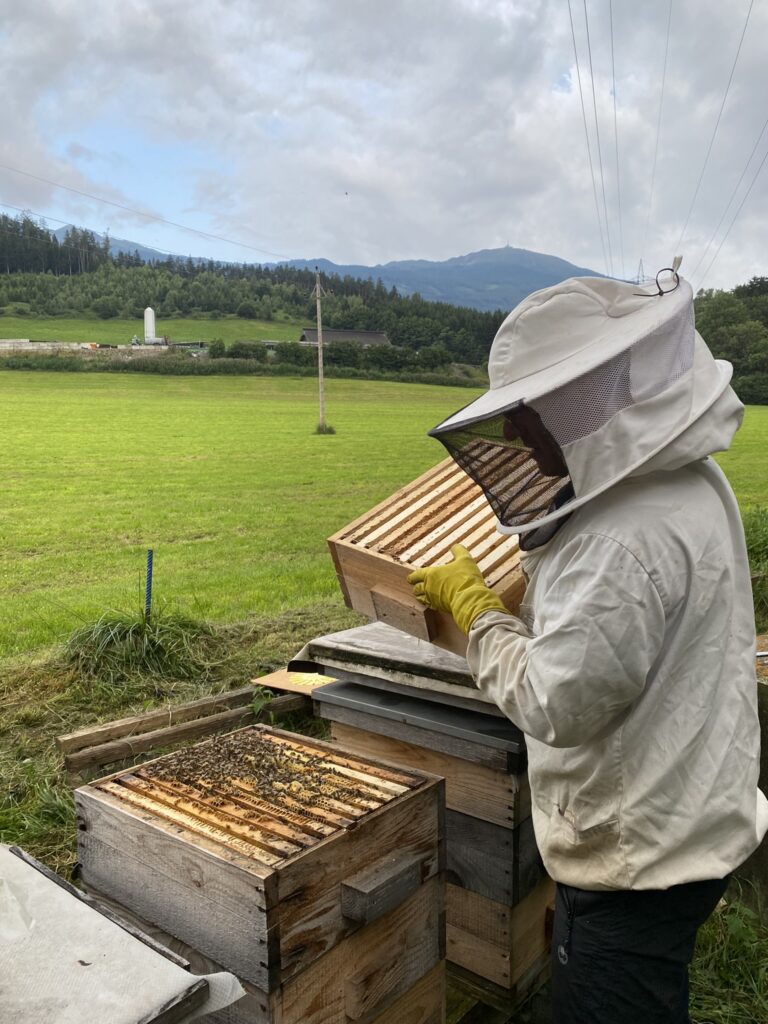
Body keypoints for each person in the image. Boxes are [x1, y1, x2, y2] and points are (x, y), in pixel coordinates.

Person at [408, 272, 768, 1024]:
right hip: (690, 819)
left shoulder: (618, 538)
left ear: (583, 400)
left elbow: (555, 701)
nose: (513, 433)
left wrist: (478, 616)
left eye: (527, 410)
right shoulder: (686, 478)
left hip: (635, 865)